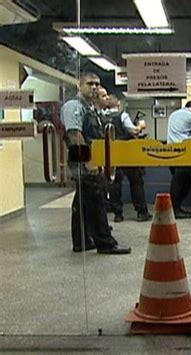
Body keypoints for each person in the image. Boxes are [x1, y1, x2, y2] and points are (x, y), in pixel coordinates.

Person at [60, 72, 131, 254]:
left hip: (91, 160)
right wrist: (88, 162)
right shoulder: (74, 106)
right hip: (84, 161)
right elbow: (74, 134)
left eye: (97, 84)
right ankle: (106, 243)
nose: (94, 87)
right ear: (80, 85)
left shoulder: (90, 108)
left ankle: (82, 241)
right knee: (96, 199)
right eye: (90, 84)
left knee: (82, 202)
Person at [104, 94, 151, 223]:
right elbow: (134, 132)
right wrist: (141, 126)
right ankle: (142, 212)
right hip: (127, 153)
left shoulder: (101, 117)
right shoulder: (122, 116)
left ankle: (118, 214)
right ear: (118, 104)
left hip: (111, 155)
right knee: (136, 182)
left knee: (114, 184)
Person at [166, 100, 191, 218]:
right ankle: (175, 210)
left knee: (177, 180)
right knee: (182, 182)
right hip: (184, 152)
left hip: (171, 151)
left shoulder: (173, 114)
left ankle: (175, 208)